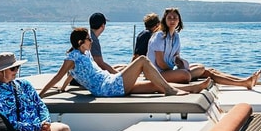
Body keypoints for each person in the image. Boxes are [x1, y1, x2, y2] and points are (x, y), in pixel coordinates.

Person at [40, 27, 211, 97]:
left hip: (109, 83)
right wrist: (42, 94)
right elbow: (59, 76)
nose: (91, 41)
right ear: (79, 42)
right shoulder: (72, 58)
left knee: (153, 85)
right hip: (107, 87)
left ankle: (192, 88)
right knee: (142, 60)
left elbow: (69, 77)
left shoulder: (84, 54)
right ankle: (170, 90)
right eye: (88, 39)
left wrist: (63, 89)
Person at [148, 7, 261, 89]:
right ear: (165, 20)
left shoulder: (176, 37)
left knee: (205, 70)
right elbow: (161, 63)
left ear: (179, 21)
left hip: (170, 70)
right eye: (169, 18)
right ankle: (244, 82)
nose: (172, 20)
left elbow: (176, 58)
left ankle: (244, 82)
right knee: (186, 75)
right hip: (158, 73)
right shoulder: (159, 36)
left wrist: (181, 64)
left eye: (175, 18)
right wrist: (179, 71)